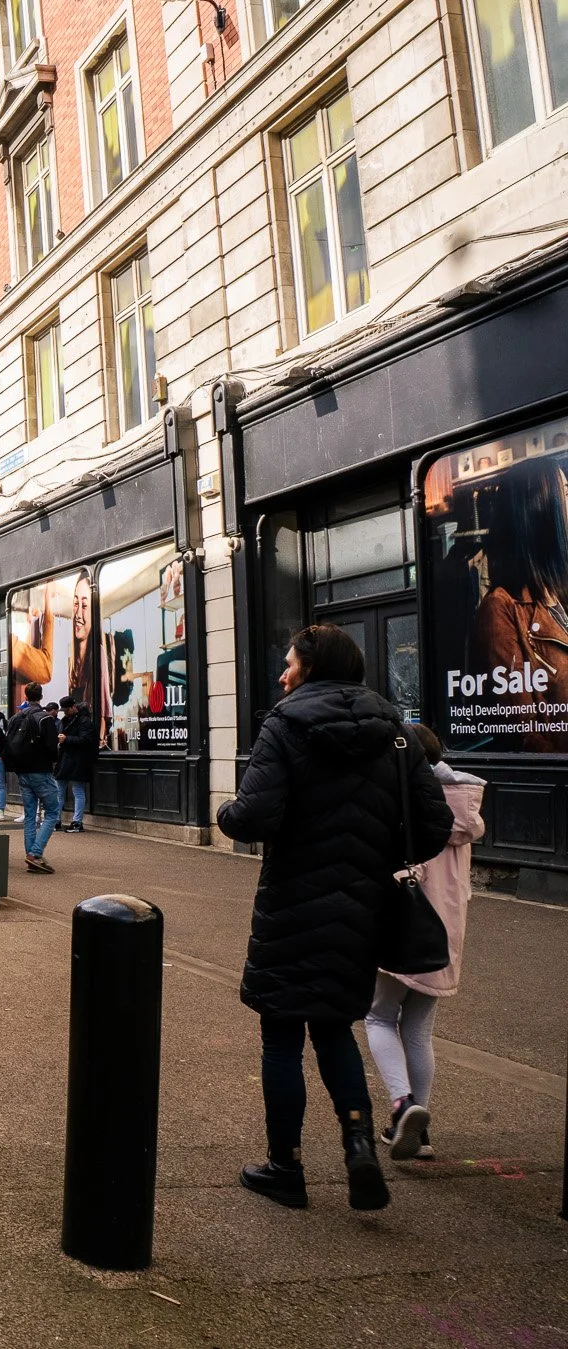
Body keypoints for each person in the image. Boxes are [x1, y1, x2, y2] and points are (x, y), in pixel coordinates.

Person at [218, 625, 453, 1212]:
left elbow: (254, 816)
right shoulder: (395, 734)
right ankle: (358, 1147)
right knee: (333, 1029)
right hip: (360, 908)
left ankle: (285, 1167)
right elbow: (433, 827)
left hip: (291, 902)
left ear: (312, 668)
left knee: (280, 1037)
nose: (282, 674)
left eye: (289, 663)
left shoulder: (285, 726)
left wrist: (226, 810)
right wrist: (373, 853)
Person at [366, 724, 484, 1162]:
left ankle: (401, 1106)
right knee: (418, 1028)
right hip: (442, 935)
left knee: (378, 1016)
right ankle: (422, 1125)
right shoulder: (462, 805)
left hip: (403, 925)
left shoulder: (408, 802)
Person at [464, 452, 568, 749]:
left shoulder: (557, 600)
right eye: (566, 493)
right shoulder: (501, 609)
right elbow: (523, 734)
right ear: (542, 511)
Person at [5, 684, 63, 873]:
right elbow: (52, 747)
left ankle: (32, 854)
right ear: (41, 696)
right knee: (53, 811)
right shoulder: (45, 718)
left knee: (30, 815)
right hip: (41, 770)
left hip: (22, 771)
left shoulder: (15, 718)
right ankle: (35, 854)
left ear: (25, 695)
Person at [56, 696, 98, 832]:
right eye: (64, 710)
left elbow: (86, 741)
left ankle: (77, 822)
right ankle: (56, 820)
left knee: (76, 791)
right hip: (67, 759)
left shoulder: (84, 721)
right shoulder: (69, 720)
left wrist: (66, 739)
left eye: (67, 710)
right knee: (61, 791)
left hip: (77, 760)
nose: (65, 712)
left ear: (74, 707)